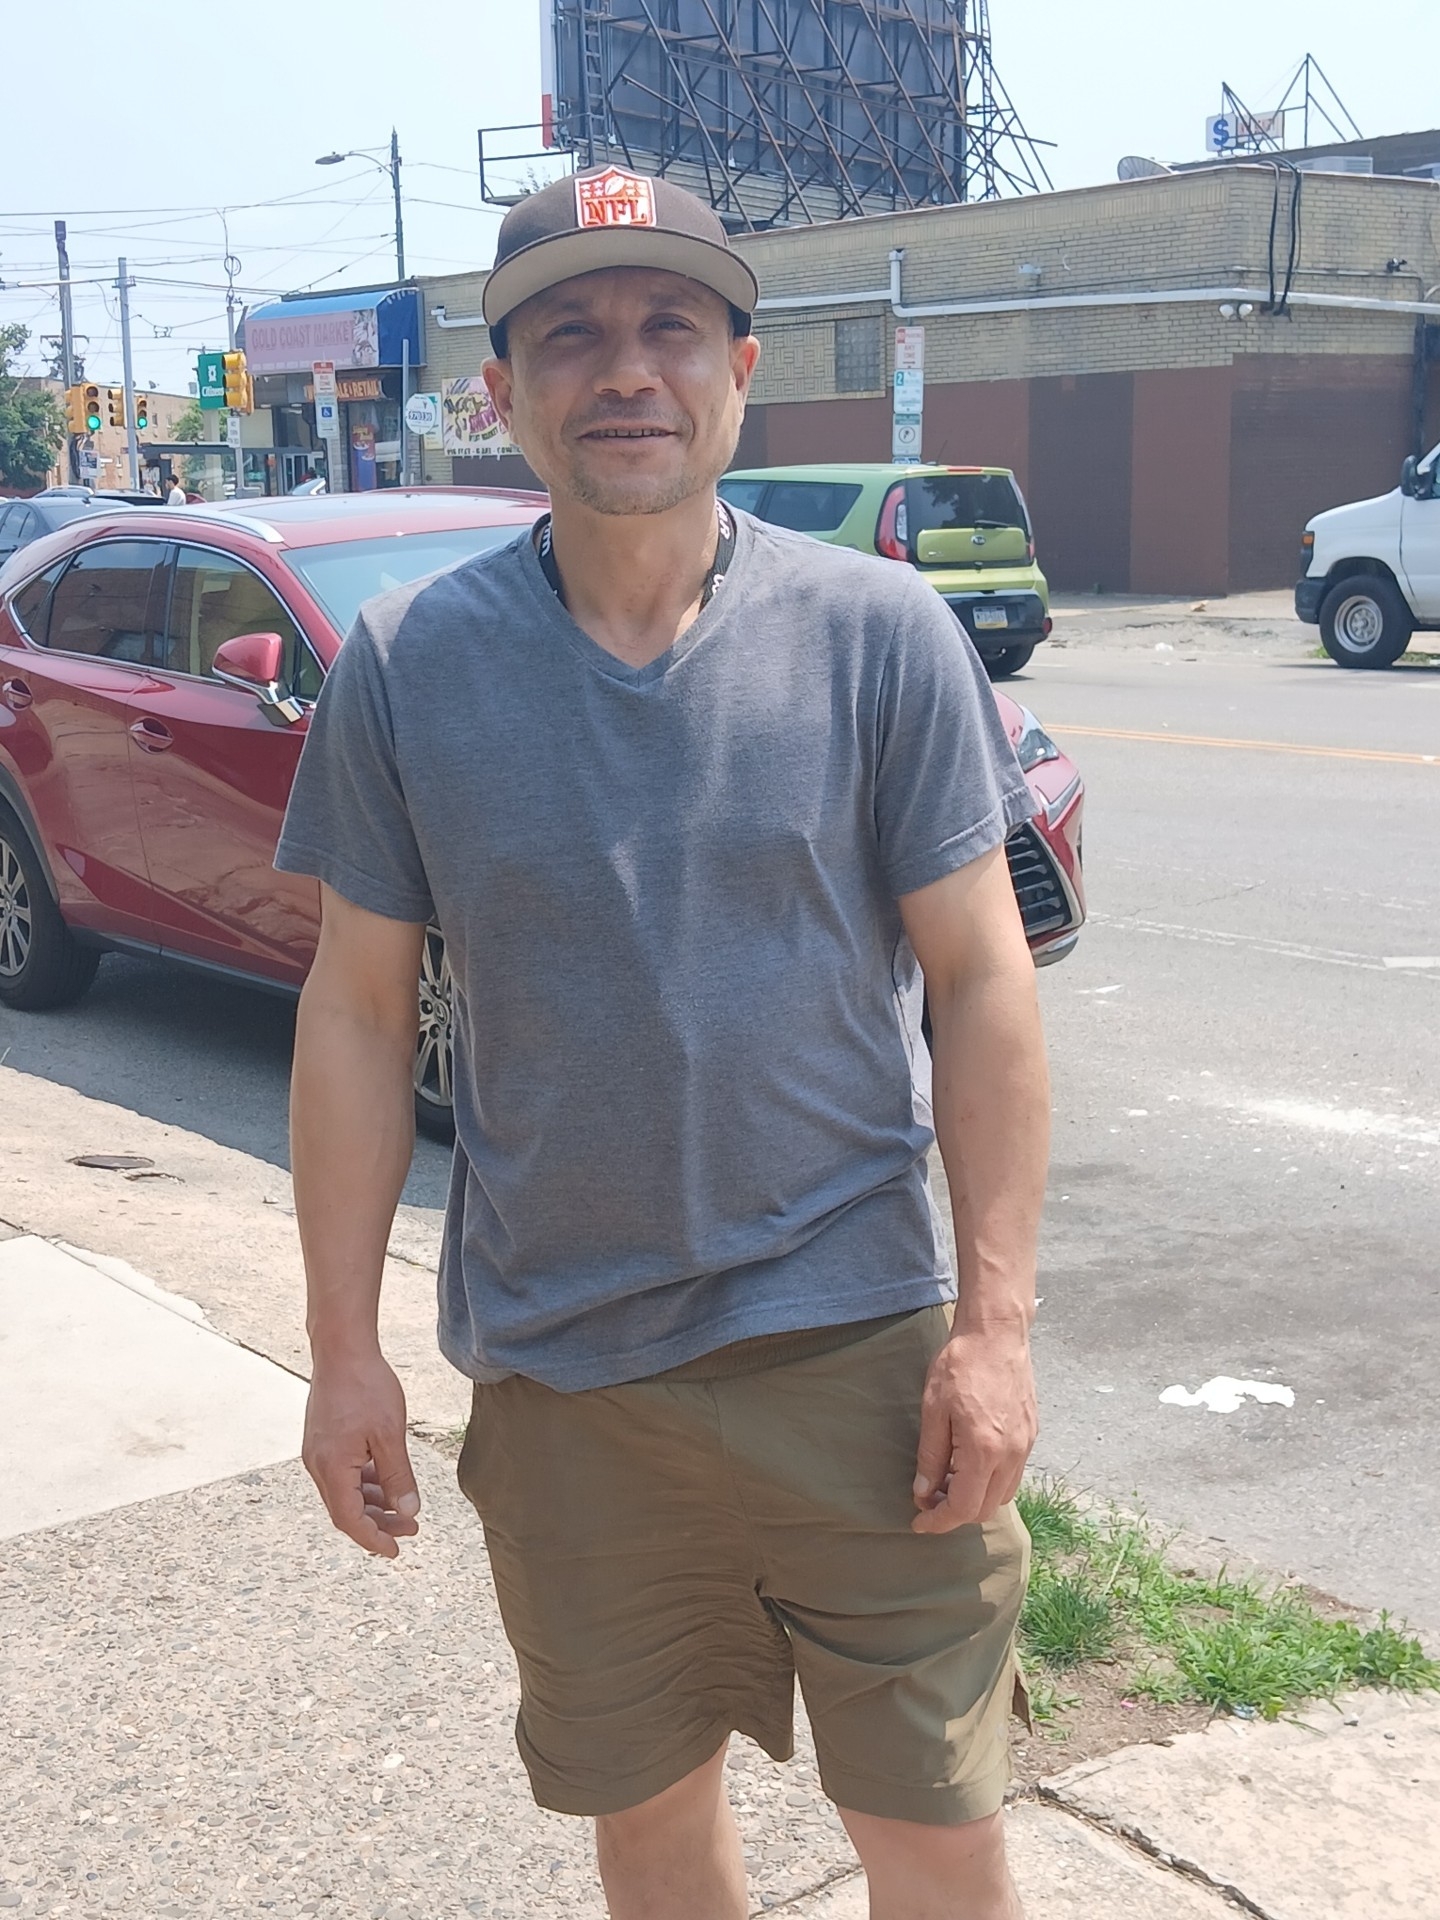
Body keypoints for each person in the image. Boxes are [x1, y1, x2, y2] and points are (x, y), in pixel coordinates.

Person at [278, 165, 1049, 1920]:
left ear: (741, 372)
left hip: (861, 1355)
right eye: (570, 333)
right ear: (503, 391)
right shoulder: (408, 664)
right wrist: (342, 1351)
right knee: (647, 1827)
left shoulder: (879, 637)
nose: (625, 367)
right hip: (568, 1379)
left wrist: (995, 1332)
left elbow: (984, 981)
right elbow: (357, 1009)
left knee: (938, 1836)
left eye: (670, 326)